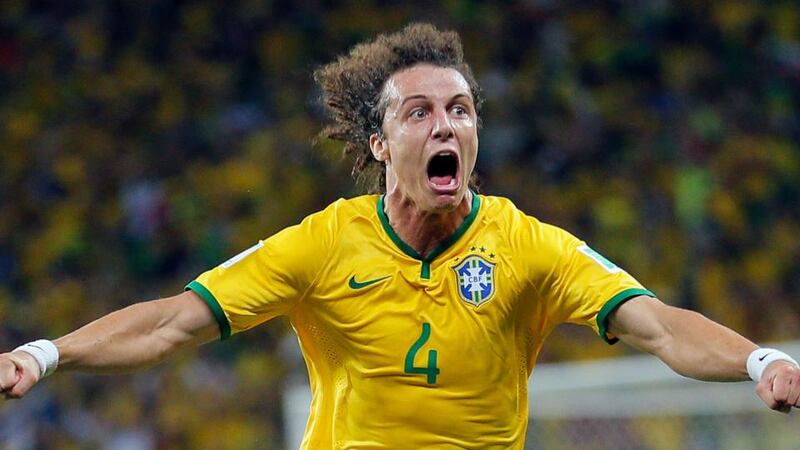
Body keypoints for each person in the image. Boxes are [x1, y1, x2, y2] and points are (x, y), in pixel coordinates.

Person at [2, 23, 799, 449]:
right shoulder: (322, 244)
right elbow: (172, 323)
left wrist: (760, 361)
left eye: (460, 109)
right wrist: (44, 354)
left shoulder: (532, 247)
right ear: (380, 145)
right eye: (419, 112)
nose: (445, 124)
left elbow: (662, 327)